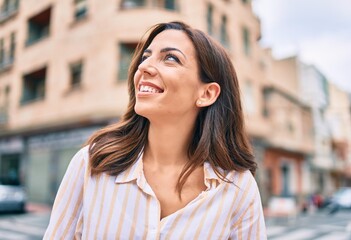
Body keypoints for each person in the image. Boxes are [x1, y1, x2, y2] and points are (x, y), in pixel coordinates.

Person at [44, 21, 267, 239]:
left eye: (170, 58)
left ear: (206, 94)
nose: (143, 67)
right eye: (145, 57)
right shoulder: (92, 163)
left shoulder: (238, 188)